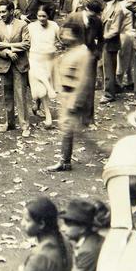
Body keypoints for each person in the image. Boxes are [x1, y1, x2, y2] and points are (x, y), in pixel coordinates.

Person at [46, 21, 95, 172]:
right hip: (67, 95)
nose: (63, 36)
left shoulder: (83, 52)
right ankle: (65, 160)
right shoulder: (72, 50)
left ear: (75, 35)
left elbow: (83, 79)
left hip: (73, 96)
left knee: (71, 130)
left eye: (67, 33)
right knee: (69, 130)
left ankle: (106, 152)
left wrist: (75, 101)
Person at [0, 0, 32, 136]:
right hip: (4, 64)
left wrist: (8, 46)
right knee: (7, 95)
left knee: (21, 95)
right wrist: (7, 53)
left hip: (19, 65)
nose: (1, 14)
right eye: (0, 12)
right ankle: (9, 123)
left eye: (4, 11)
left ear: (11, 11)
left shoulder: (22, 25)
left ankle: (24, 125)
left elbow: (26, 44)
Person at [20, 197, 73, 271]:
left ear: (41, 224)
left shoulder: (40, 257)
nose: (22, 223)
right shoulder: (64, 240)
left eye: (27, 220)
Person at [59, 199, 109, 271]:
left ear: (82, 228)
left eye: (68, 225)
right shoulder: (89, 240)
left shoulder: (88, 250)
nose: (62, 228)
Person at [27, 4, 61, 128]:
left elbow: (61, 39)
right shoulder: (31, 27)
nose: (41, 18)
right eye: (39, 16)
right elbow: (26, 43)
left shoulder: (54, 26)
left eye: (44, 16)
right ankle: (48, 117)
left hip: (49, 61)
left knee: (42, 89)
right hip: (35, 60)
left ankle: (36, 105)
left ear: (48, 16)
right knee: (44, 88)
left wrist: (61, 44)